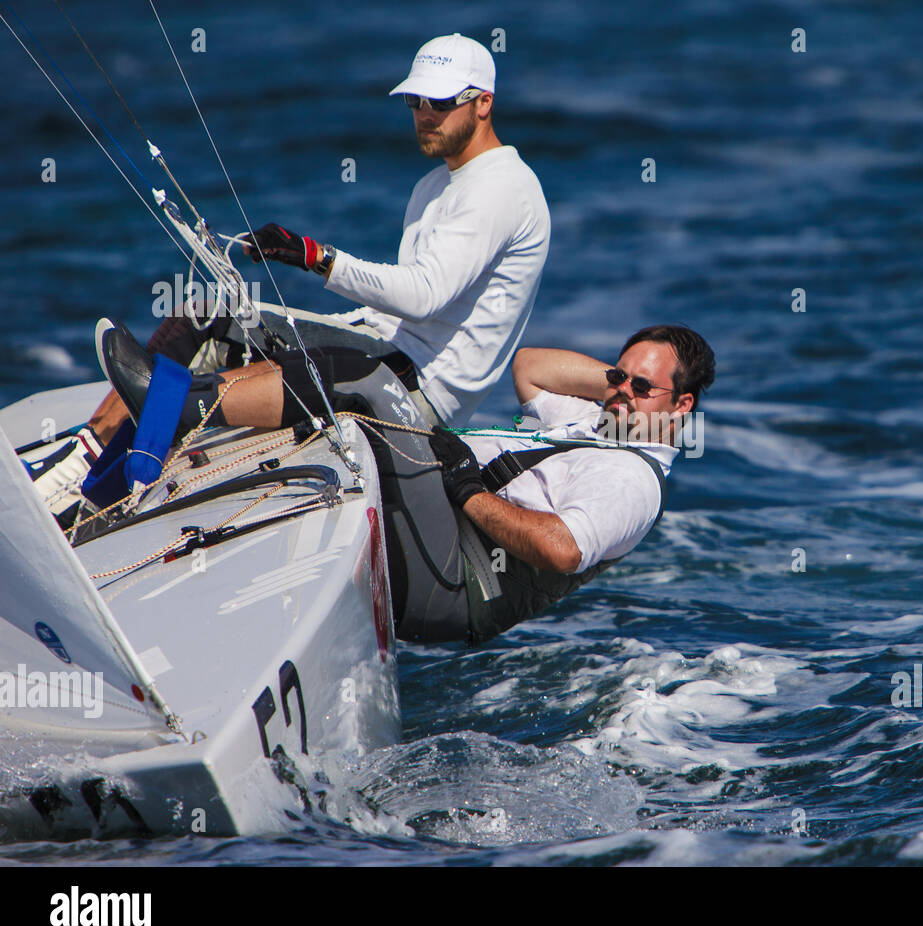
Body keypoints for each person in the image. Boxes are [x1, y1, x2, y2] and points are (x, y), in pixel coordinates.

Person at [31, 32, 550, 522]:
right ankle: (87, 468)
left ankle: (87, 480)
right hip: (381, 347)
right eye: (415, 102)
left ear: (483, 102)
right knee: (204, 315)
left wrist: (315, 256)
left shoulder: (502, 187)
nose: (424, 115)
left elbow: (425, 296)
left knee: (209, 326)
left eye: (440, 103)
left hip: (412, 387)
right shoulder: (438, 184)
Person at [408, 324, 716, 644]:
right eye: (616, 376)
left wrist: (468, 490)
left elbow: (563, 550)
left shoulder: (632, 481)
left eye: (642, 385)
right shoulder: (596, 422)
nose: (623, 387)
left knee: (370, 390)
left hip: (461, 577)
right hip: (445, 533)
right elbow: (529, 367)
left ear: (681, 406)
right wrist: (627, 389)